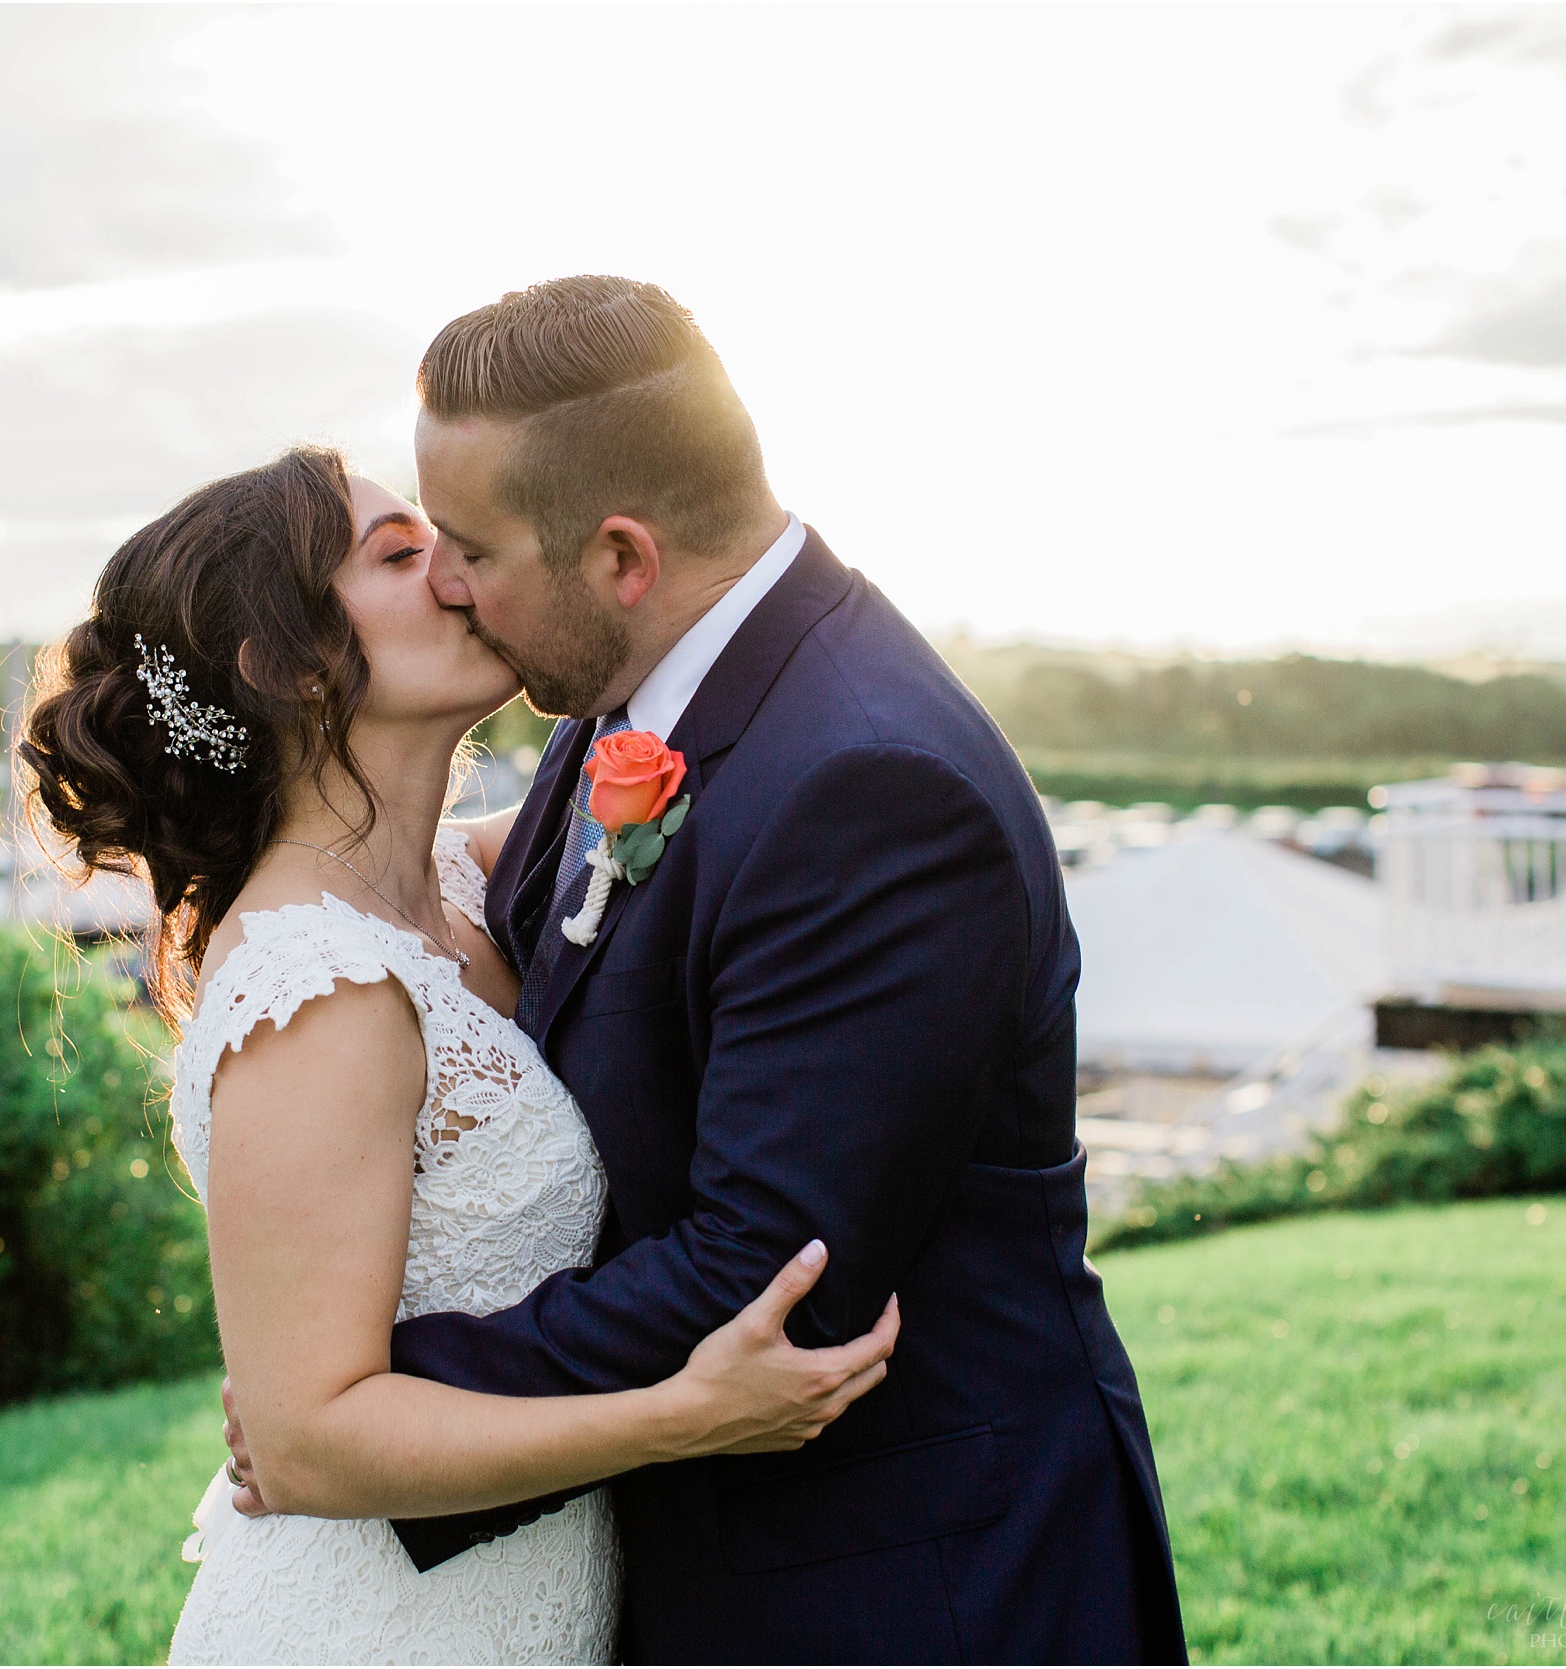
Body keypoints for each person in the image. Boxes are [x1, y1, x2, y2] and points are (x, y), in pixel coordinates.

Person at [223, 277, 1189, 1663]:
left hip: (909, 1584)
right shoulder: (626, 699)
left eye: (475, 548)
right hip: (710, 1556)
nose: (451, 581)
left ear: (621, 554)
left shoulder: (871, 784)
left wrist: (358, 1411)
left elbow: (770, 1262)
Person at [18, 445, 901, 1665]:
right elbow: (307, 1441)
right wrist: (679, 1417)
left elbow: (709, 788)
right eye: (398, 552)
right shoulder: (319, 992)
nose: (460, 568)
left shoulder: (464, 879)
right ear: (283, 665)